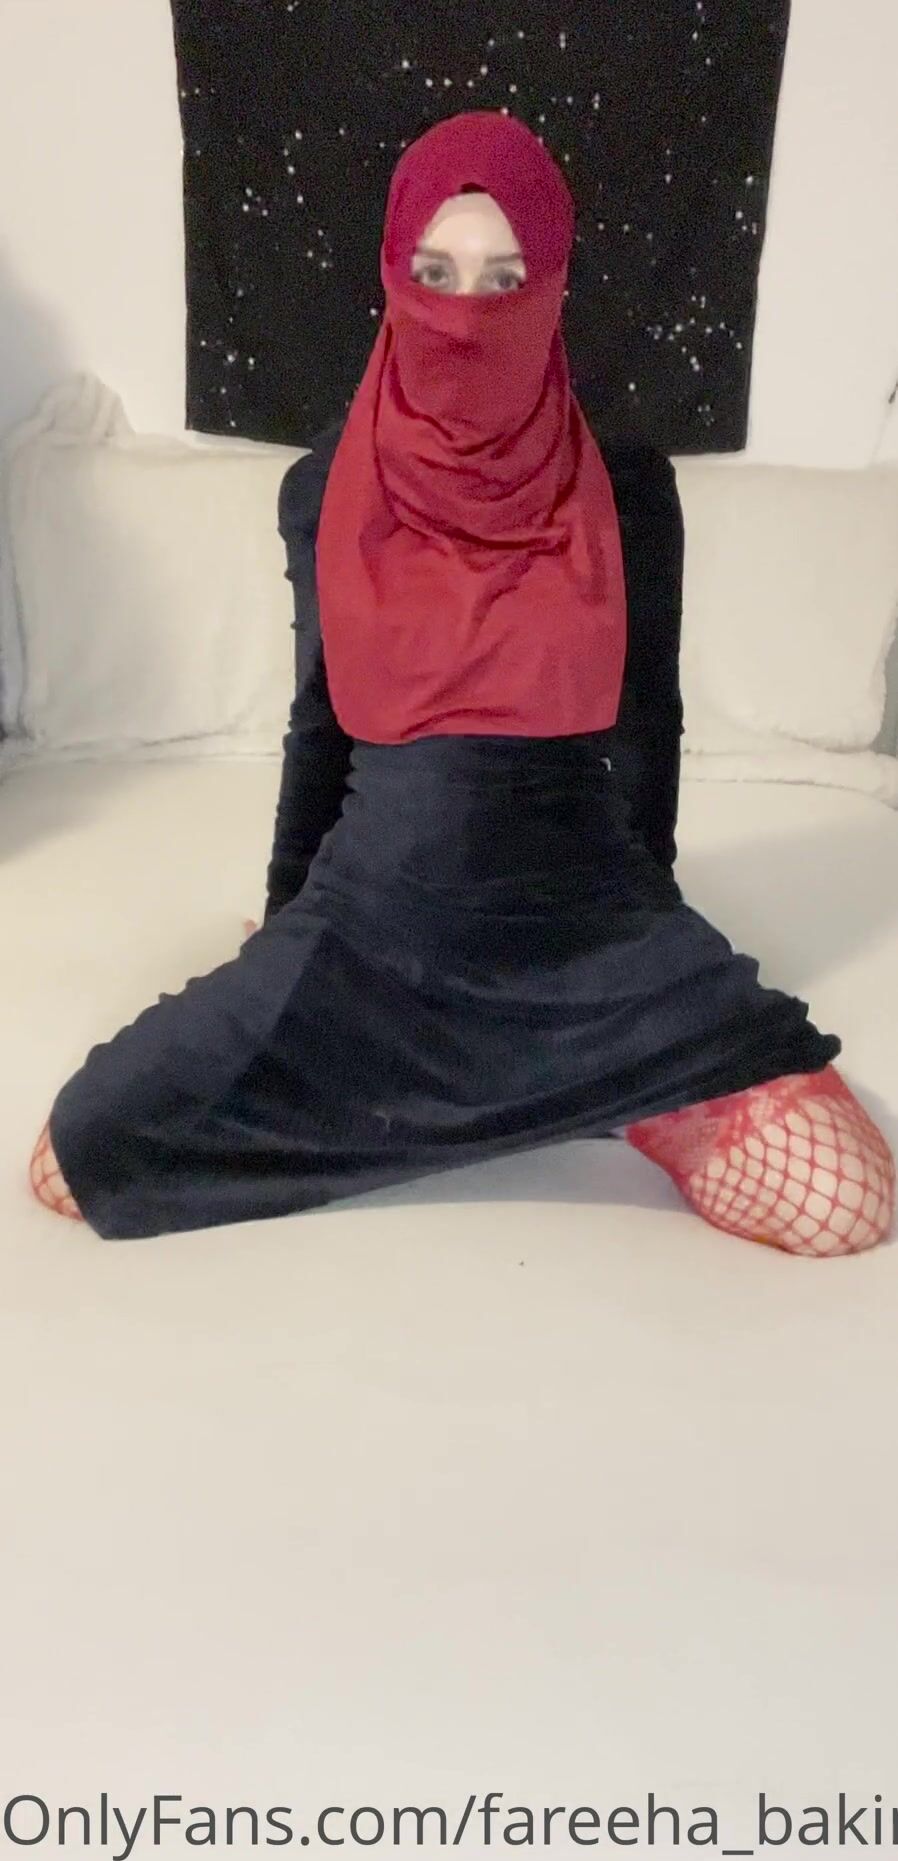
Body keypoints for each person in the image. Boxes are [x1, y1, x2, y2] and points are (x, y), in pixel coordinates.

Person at [30, 111, 894, 1255]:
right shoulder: (327, 488)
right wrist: (284, 932)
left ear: (554, 285)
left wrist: (659, 965)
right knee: (75, 1162)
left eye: (504, 277)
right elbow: (319, 729)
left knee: (848, 1204)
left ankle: (613, 1087)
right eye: (435, 273)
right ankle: (522, 1091)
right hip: (374, 931)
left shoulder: (624, 487)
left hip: (588, 935)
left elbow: (646, 730)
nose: (468, 308)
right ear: (393, 272)